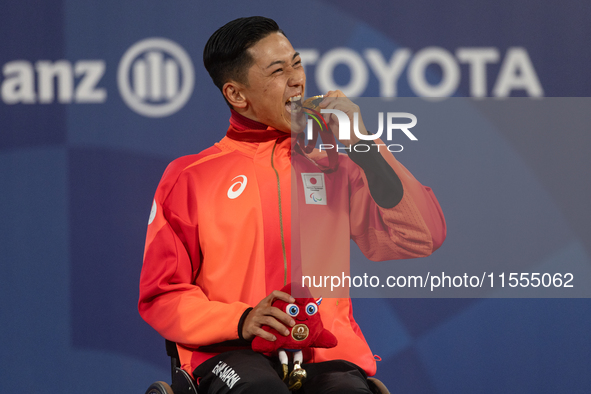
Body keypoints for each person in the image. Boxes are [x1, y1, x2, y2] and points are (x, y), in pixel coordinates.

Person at [139, 16, 446, 393]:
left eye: (297, 63)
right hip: (230, 352)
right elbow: (163, 293)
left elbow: (421, 237)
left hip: (326, 352)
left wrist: (364, 145)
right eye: (278, 70)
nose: (297, 78)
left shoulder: (336, 162)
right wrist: (243, 319)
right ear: (237, 95)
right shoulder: (190, 176)